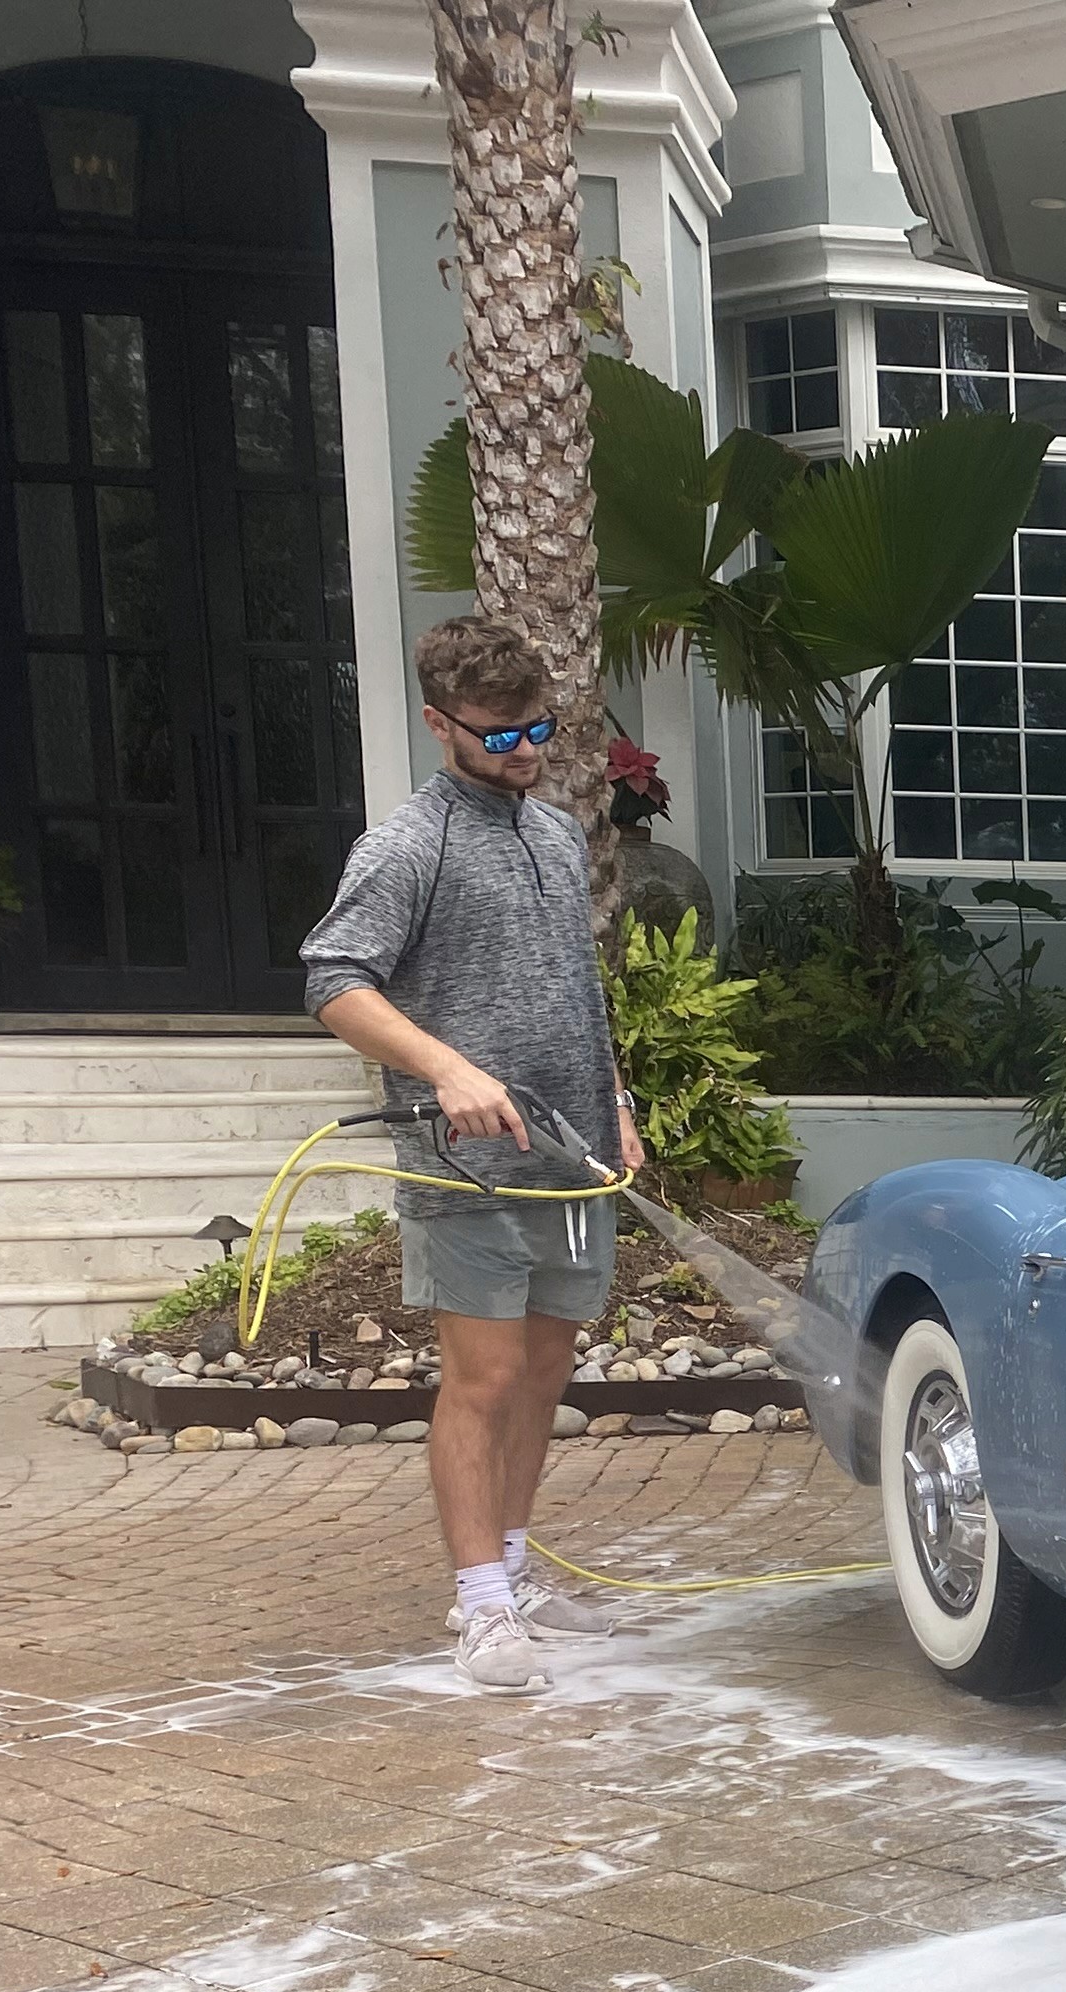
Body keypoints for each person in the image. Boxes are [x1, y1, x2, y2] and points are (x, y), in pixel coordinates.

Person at [301, 617, 647, 1692]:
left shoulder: (550, 832)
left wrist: (617, 1099)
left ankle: (512, 1566)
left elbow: (571, 987)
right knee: (484, 1378)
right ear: (439, 723)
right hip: (461, 1163)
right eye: (499, 736)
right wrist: (446, 1070)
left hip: (572, 1152)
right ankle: (481, 1607)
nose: (525, 750)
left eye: (537, 728)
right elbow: (334, 982)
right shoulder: (407, 846)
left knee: (544, 1373)